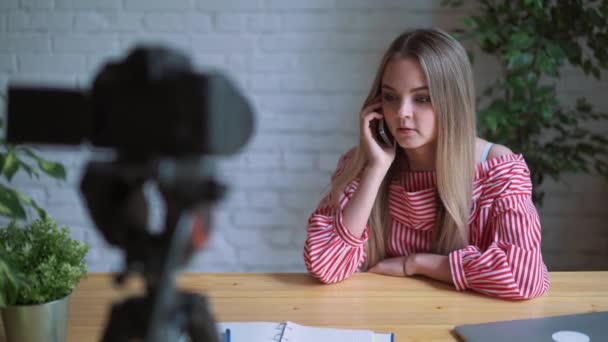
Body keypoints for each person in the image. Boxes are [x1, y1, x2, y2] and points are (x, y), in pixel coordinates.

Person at [303, 28, 550, 300]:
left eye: (422, 98)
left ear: (451, 101)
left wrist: (417, 264)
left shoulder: (495, 167)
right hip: (382, 317)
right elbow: (325, 266)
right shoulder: (363, 163)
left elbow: (524, 278)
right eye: (390, 97)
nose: (402, 113)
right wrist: (375, 169)